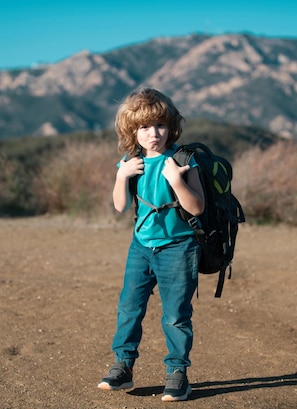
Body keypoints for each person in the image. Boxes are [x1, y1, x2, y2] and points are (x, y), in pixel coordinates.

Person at [98, 87, 205, 402]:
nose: (153, 133)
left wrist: (176, 180)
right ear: (132, 130)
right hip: (141, 248)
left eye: (159, 125)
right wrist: (122, 176)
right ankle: (123, 367)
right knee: (129, 308)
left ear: (170, 126)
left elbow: (197, 207)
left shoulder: (184, 160)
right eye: (144, 127)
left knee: (175, 315)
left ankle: (177, 374)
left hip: (179, 248)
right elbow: (120, 206)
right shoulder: (131, 161)